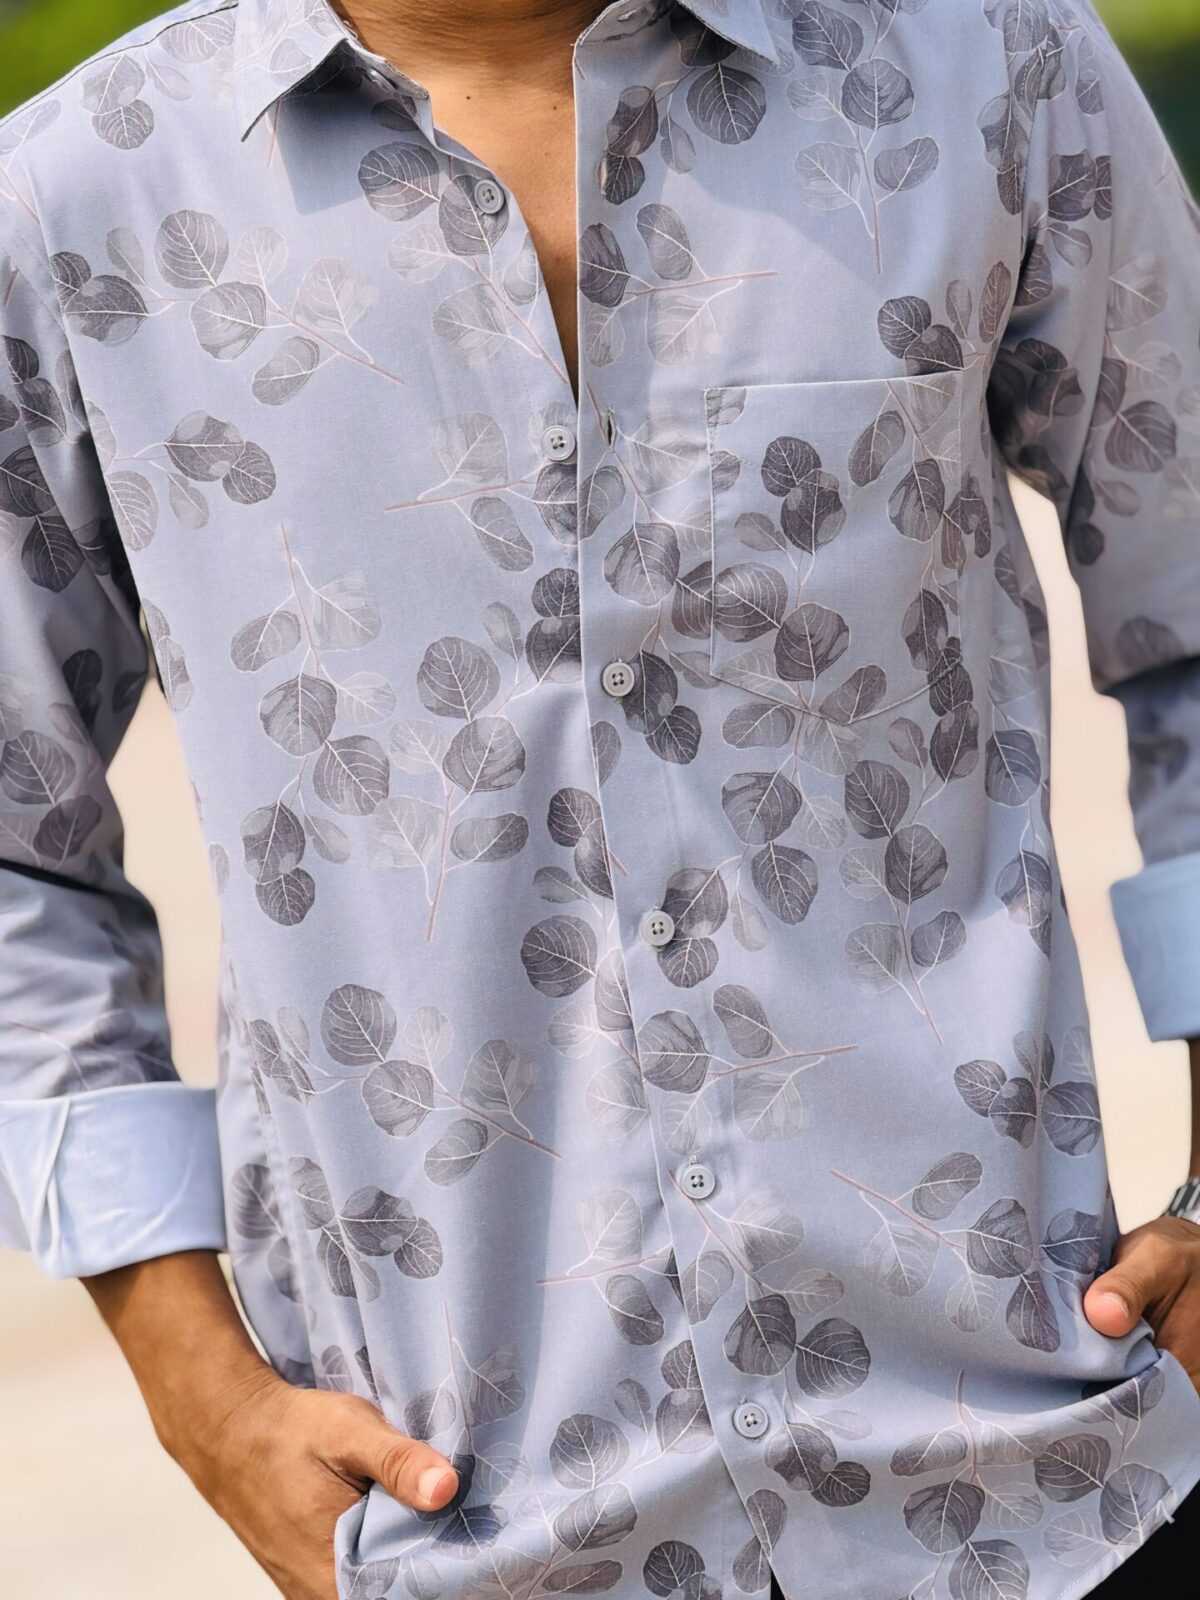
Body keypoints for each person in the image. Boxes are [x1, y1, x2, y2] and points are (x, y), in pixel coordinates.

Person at [1, 0, 1199, 1595]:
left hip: (1049, 1490)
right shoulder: (78, 195)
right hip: (470, 1526)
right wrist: (191, 1382)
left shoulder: (991, 64)